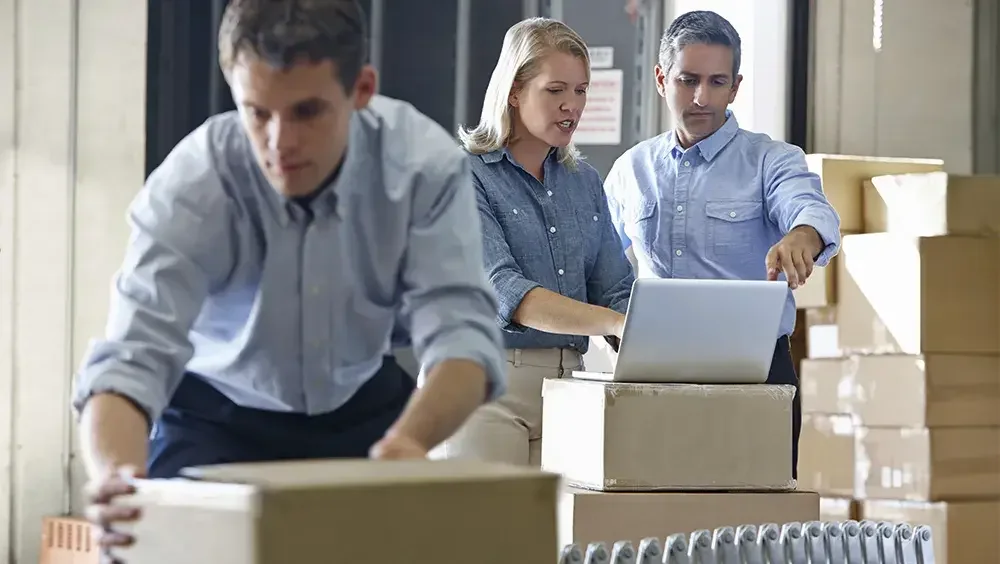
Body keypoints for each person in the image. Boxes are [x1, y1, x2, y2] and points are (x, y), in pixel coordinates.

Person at [75, 0, 506, 552]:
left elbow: (463, 340)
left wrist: (409, 444)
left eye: (307, 112)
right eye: (257, 112)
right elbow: (131, 357)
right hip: (214, 416)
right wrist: (116, 477)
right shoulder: (194, 182)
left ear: (362, 91)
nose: (280, 143)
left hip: (363, 411)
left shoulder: (423, 167)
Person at [603, 10, 842, 479]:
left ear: (735, 87)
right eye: (688, 80)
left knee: (754, 525)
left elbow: (812, 209)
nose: (701, 98)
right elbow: (598, 264)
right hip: (654, 370)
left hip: (755, 369)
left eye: (717, 82)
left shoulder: (771, 159)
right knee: (657, 516)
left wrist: (801, 235)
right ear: (660, 79)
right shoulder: (630, 170)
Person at [433, 18, 635, 466]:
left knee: (563, 535)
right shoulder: (462, 175)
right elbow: (505, 290)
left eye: (581, 91)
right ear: (515, 92)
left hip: (571, 390)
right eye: (556, 90)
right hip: (485, 391)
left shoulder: (585, 182)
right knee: (490, 535)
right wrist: (616, 324)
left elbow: (615, 289)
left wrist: (654, 330)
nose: (572, 106)